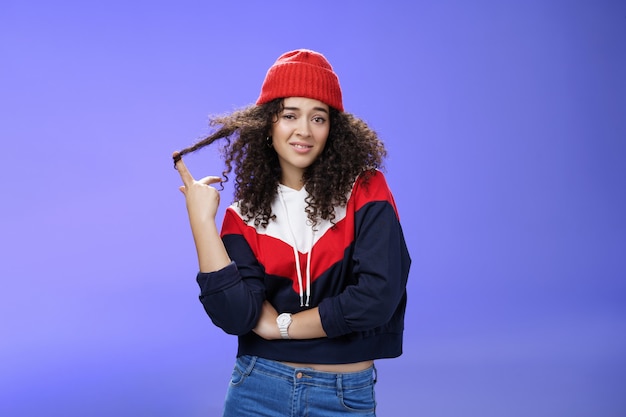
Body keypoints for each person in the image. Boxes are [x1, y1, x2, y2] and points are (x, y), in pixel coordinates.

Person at [173, 49, 411, 417]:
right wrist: (201, 221)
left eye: (319, 117)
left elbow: (378, 297)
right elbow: (237, 317)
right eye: (289, 115)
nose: (304, 130)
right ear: (268, 123)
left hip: (343, 396)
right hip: (256, 389)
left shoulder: (366, 191)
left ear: (334, 129)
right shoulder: (243, 216)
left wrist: (281, 326)